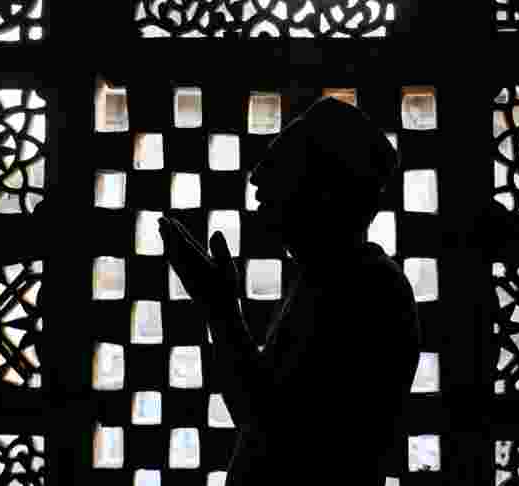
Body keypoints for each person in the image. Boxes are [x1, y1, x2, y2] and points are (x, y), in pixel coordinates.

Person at [158, 96, 421, 485]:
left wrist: (220, 309)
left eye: (279, 166)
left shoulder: (364, 292)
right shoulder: (338, 280)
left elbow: (269, 424)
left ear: (325, 189)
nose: (258, 178)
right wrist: (220, 308)